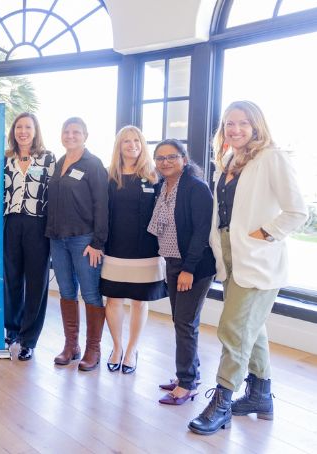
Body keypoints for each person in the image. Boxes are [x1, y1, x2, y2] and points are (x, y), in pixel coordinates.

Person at [189, 101, 307, 435]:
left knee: (233, 329)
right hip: (229, 255)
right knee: (251, 328)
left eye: (243, 123)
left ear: (256, 126)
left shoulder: (272, 157)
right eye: (229, 124)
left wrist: (264, 234)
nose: (235, 129)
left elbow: (297, 211)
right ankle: (260, 395)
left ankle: (222, 400)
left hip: (257, 257)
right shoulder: (229, 160)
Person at [147, 139, 215, 406]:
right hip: (173, 261)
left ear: (184, 160)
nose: (165, 162)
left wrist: (188, 269)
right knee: (182, 320)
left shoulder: (196, 188)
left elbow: (201, 232)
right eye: (160, 158)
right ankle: (190, 375)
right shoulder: (162, 187)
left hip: (193, 266)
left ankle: (186, 385)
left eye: (171, 157)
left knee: (185, 323)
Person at [100, 126, 166, 375]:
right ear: (119, 145)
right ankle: (117, 348)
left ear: (142, 144)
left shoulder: (154, 175)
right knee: (114, 299)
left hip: (146, 249)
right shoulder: (109, 175)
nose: (132, 145)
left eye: (136, 140)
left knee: (140, 300)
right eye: (126, 141)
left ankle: (131, 350)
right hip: (115, 246)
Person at [46, 117, 108, 371]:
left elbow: (102, 205)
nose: (70, 136)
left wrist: (98, 242)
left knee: (91, 293)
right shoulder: (59, 163)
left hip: (84, 239)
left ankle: (94, 349)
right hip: (57, 239)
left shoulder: (93, 164)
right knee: (66, 292)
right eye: (66, 131)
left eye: (76, 132)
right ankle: (71, 346)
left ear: (85, 136)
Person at [3, 113, 56, 361]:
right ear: (13, 131)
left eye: (28, 127)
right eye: (19, 127)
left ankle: (29, 339)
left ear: (35, 131)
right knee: (11, 280)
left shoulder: (48, 158)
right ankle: (12, 331)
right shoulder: (5, 159)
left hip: (38, 224)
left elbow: (55, 195)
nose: (23, 131)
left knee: (36, 283)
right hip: (11, 223)